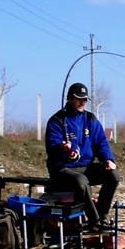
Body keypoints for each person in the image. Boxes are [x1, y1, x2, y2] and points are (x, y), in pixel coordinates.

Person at [45, 82, 120, 230]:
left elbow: (101, 143)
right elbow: (52, 148)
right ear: (70, 99)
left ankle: (101, 215)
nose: (82, 102)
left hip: (86, 166)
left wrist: (108, 159)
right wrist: (64, 149)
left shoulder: (90, 119)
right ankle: (94, 221)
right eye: (79, 99)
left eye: (85, 99)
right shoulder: (56, 121)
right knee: (81, 181)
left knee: (114, 175)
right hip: (62, 169)